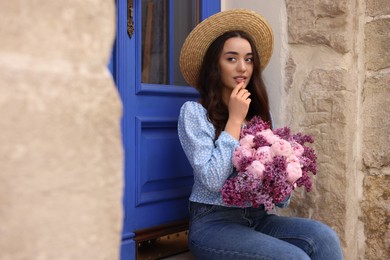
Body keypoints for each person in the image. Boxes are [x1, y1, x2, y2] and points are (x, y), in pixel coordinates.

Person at [177, 9, 344, 260]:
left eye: (249, 59)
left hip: (258, 217)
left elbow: (281, 201)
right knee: (293, 257)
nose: (242, 67)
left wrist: (285, 172)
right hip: (213, 223)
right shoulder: (194, 113)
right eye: (231, 59)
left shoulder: (258, 116)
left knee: (324, 237)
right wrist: (234, 120)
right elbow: (211, 180)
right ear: (215, 65)